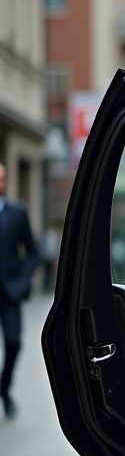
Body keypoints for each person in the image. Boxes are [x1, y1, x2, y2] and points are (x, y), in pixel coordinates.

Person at [0, 163, 39, 419]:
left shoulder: (18, 212)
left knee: (13, 343)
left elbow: (33, 252)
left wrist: (23, 283)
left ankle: (5, 389)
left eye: (1, 178)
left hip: (9, 293)